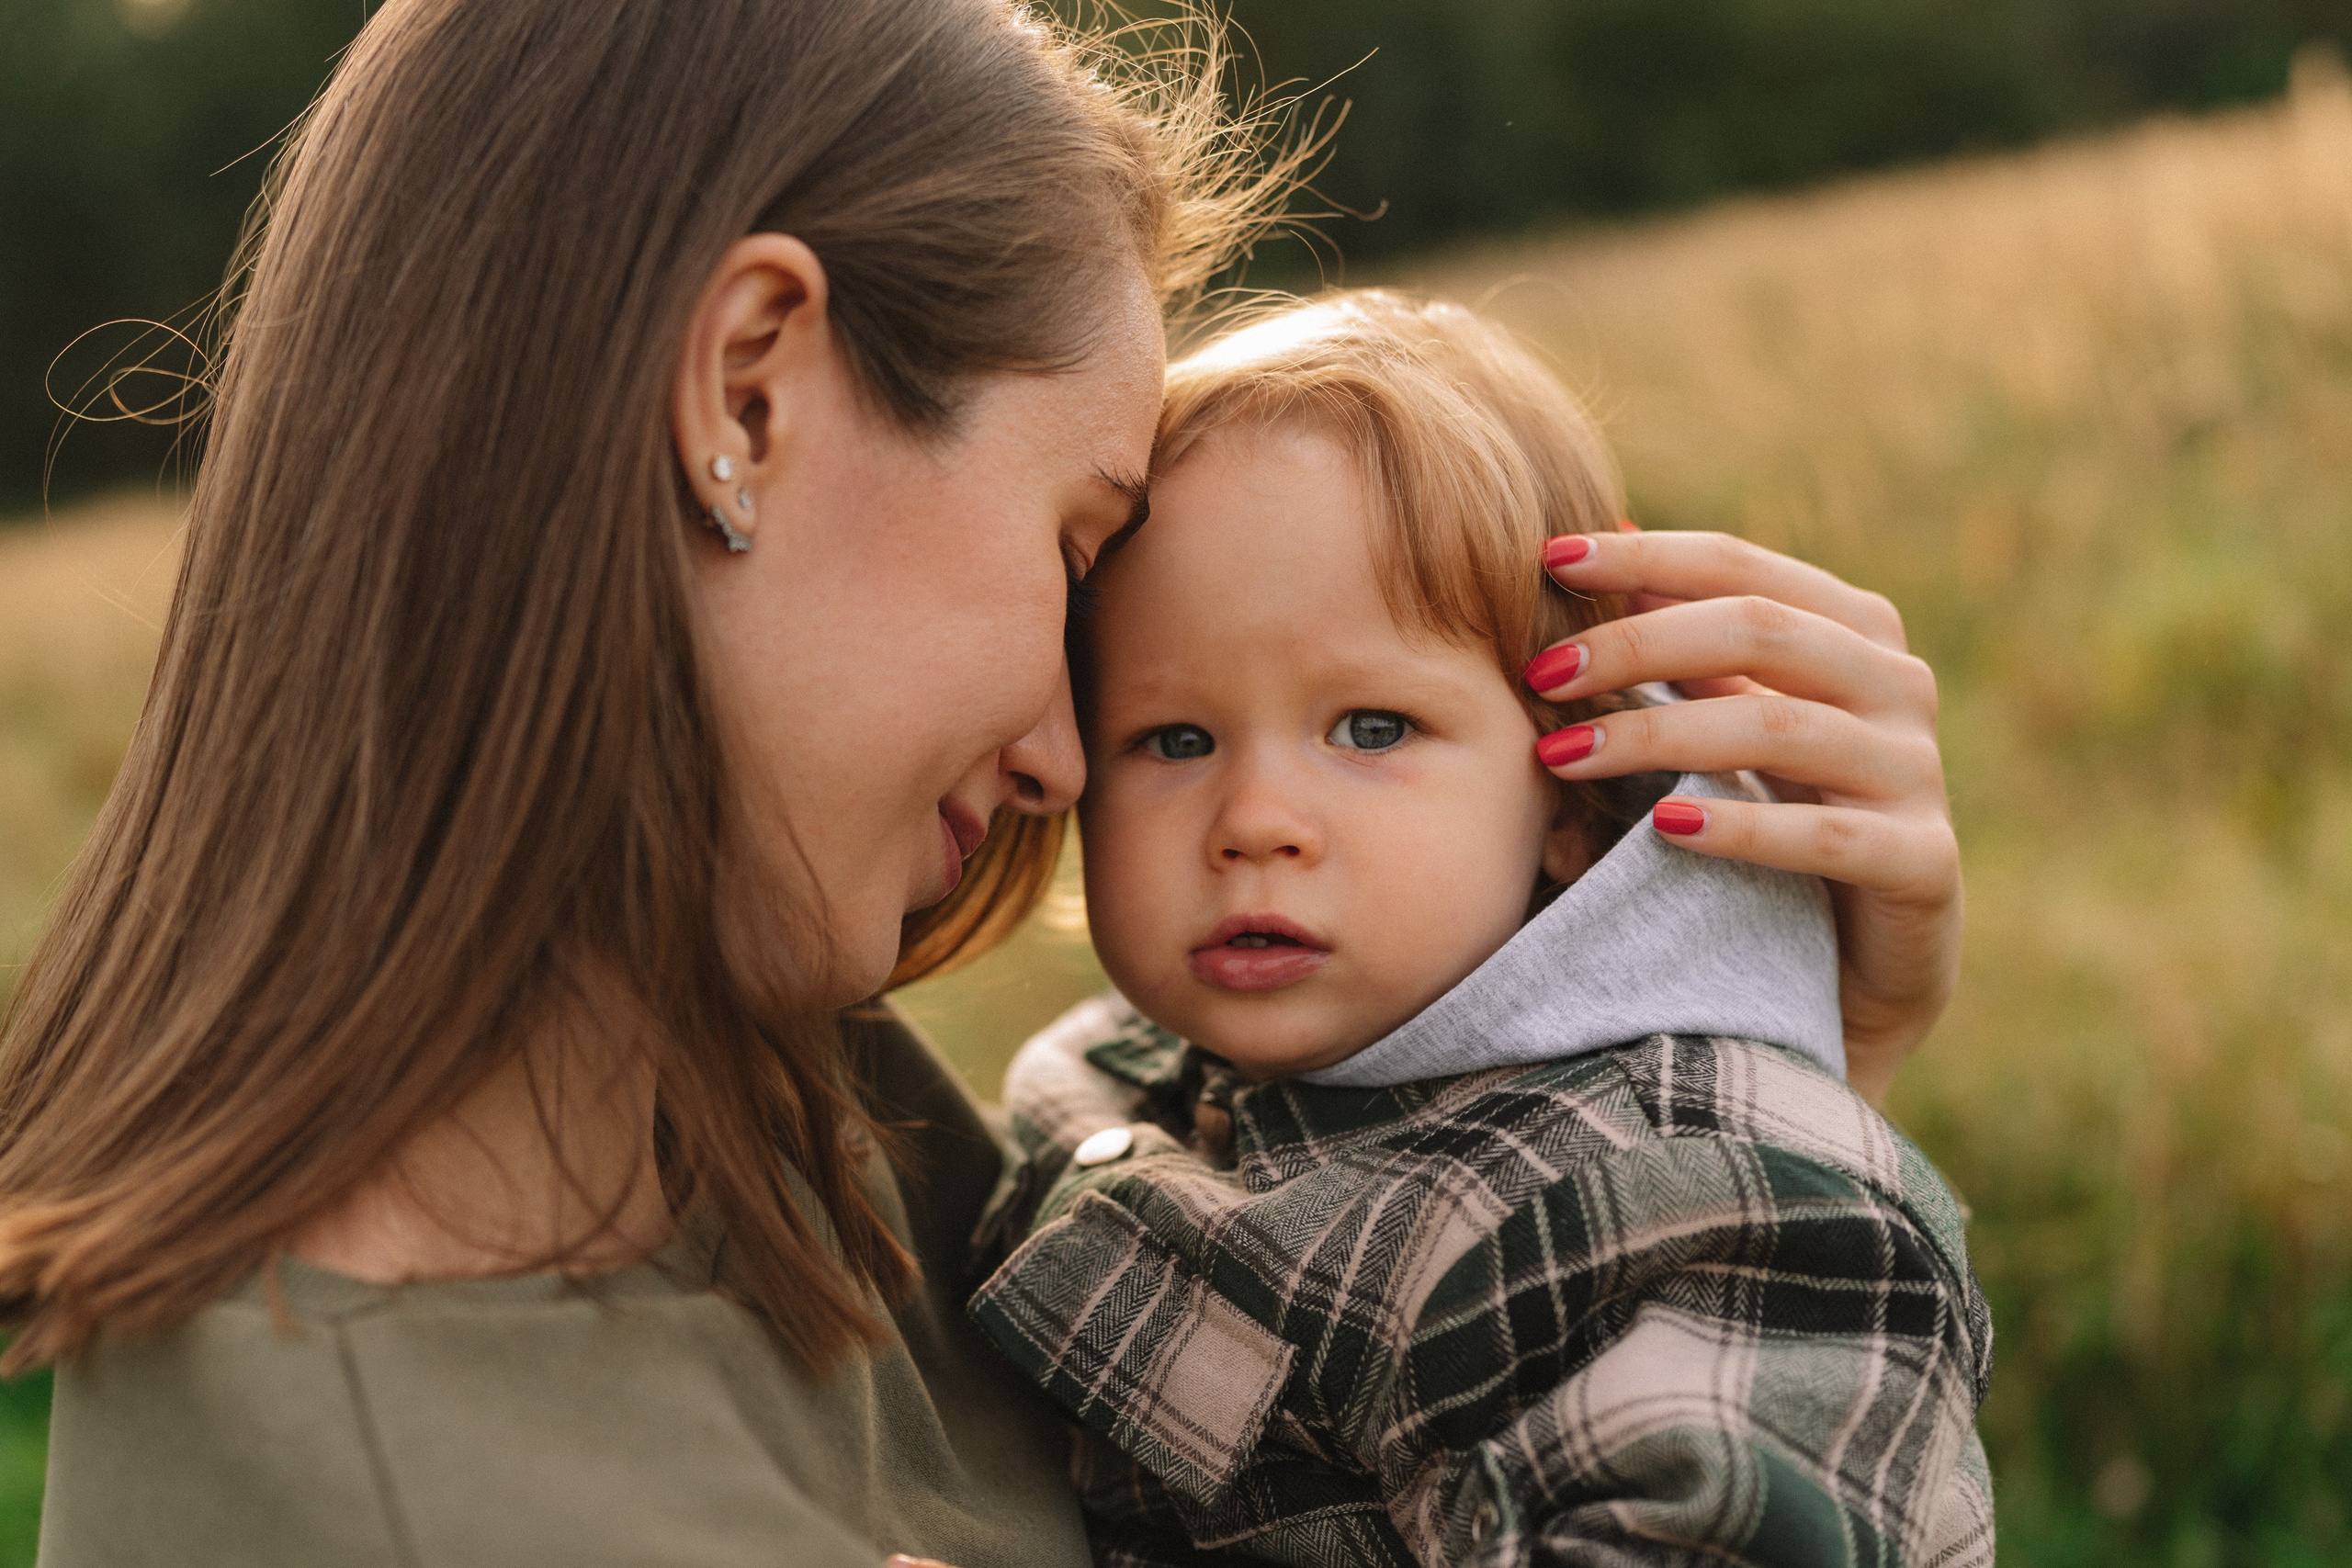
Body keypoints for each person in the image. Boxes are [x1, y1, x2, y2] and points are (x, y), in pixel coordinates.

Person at [0, 2, 1961, 1564]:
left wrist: (1740, 1080)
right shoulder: (436, 1485)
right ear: (746, 392)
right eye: (1073, 544)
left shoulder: (778, 1090)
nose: (1057, 748)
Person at [968, 291, 1991, 1566]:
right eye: (1174, 739)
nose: (1256, 820)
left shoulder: (1682, 1193)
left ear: (1571, 797)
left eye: (1374, 727)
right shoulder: (1108, 1081)